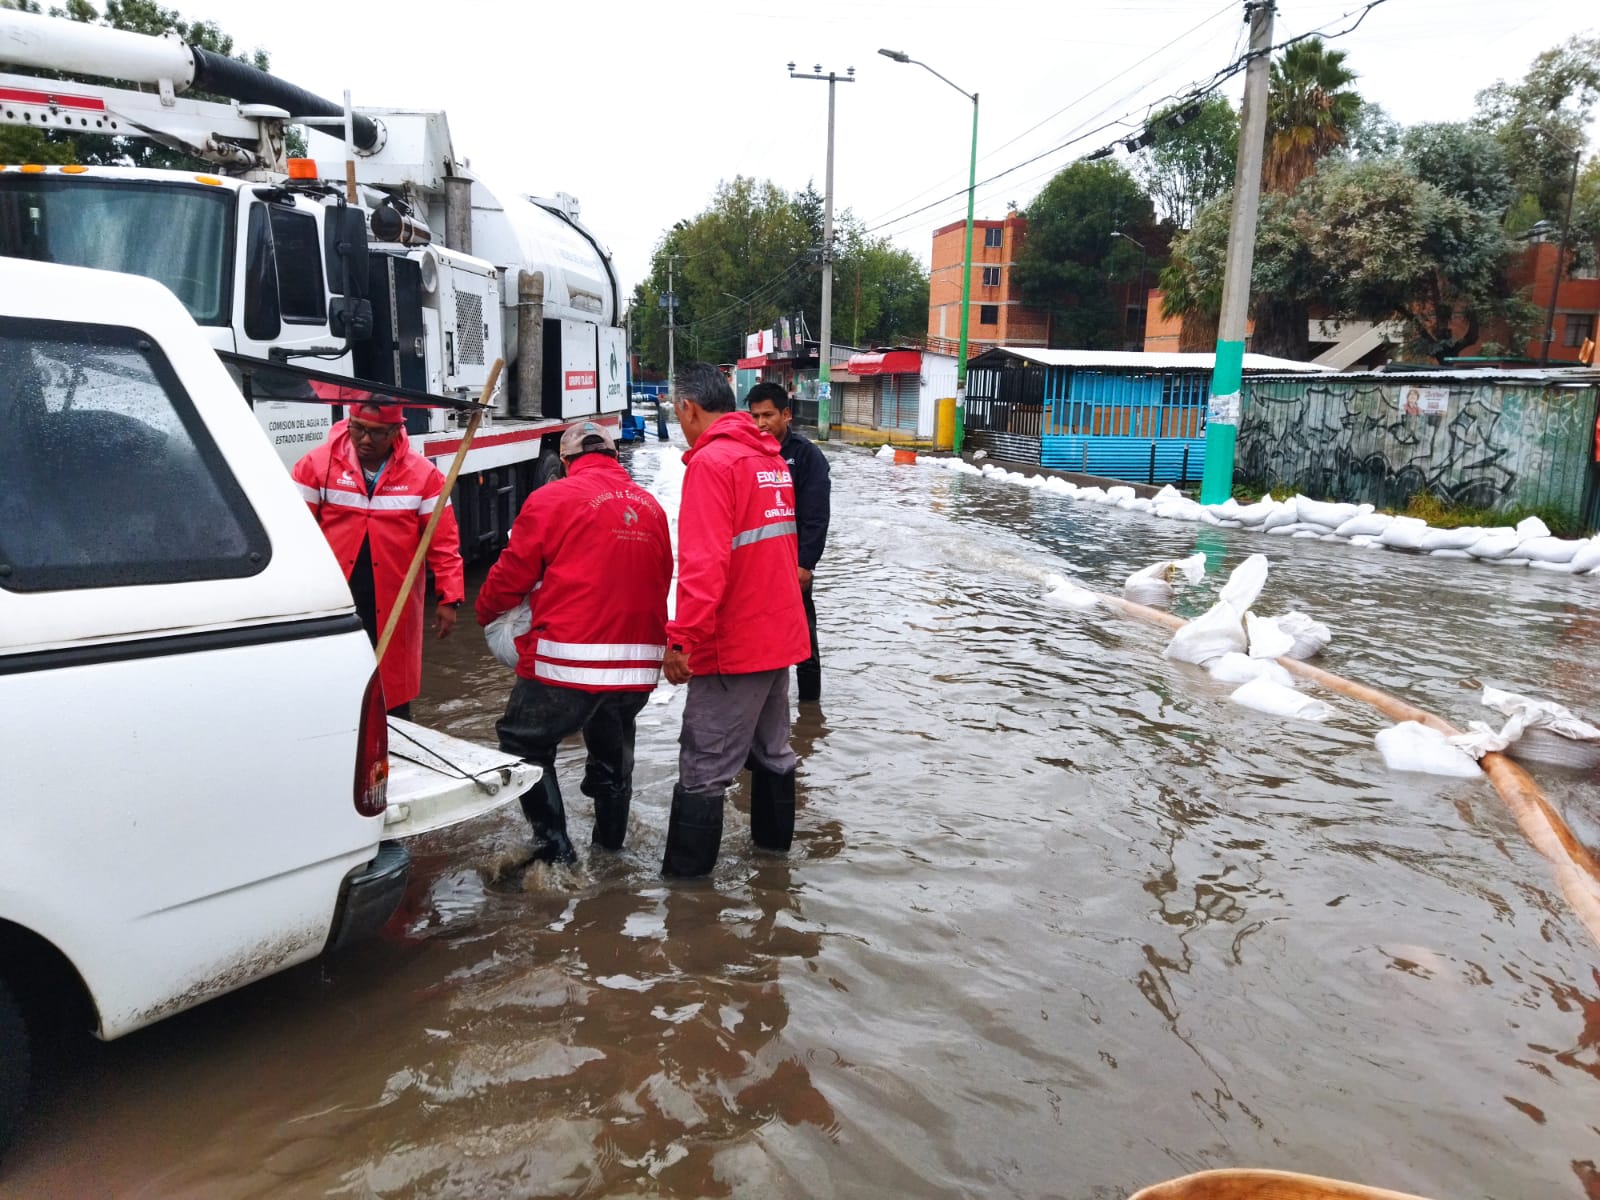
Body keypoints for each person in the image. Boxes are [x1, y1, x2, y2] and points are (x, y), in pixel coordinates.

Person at [476, 420, 674, 863]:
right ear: (615, 456)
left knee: (522, 742)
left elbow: (513, 574)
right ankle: (610, 852)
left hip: (570, 661)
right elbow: (662, 578)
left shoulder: (551, 498)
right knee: (612, 752)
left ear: (566, 463)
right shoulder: (652, 508)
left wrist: (487, 613)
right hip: (639, 669)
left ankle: (555, 853)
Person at [662, 364, 812, 878]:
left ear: (689, 408)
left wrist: (682, 639)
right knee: (774, 752)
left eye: (675, 412)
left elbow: (704, 567)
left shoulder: (713, 464)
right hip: (779, 635)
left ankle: (686, 898)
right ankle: (775, 872)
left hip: (737, 644)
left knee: (704, 768)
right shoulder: (768, 459)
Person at [292, 401, 463, 718]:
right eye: (358, 428)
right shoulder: (316, 465)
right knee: (333, 679)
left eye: (376, 433)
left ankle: (393, 746)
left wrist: (449, 598)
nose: (365, 440)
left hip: (394, 599)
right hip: (336, 596)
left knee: (392, 689)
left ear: (397, 431)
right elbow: (294, 533)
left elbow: (443, 541)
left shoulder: (424, 476)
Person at [746, 381, 830, 702]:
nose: (761, 423)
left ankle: (810, 715)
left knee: (804, 643)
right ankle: (765, 708)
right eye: (754, 416)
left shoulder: (807, 457)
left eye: (768, 415)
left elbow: (816, 516)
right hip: (756, 569)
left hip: (793, 567)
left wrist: (805, 564)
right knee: (758, 644)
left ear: (786, 415)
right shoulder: (747, 454)